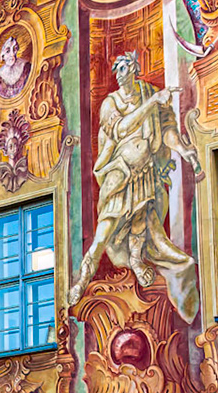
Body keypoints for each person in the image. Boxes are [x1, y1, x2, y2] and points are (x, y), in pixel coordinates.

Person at [69, 53, 197, 320]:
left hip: (147, 173)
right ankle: (81, 280)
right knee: (104, 231)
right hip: (120, 173)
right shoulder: (111, 103)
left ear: (135, 68)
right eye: (115, 68)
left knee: (142, 221)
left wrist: (182, 149)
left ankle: (137, 261)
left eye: (123, 66)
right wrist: (153, 102)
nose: (118, 72)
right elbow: (123, 129)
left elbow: (167, 128)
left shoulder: (150, 92)